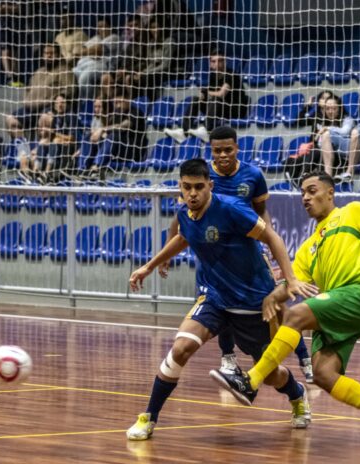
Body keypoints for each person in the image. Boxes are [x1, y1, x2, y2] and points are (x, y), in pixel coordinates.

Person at [210, 171, 360, 445]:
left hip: (356, 296)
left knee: (296, 315)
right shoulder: (309, 246)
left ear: (330, 193)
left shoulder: (351, 213)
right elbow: (290, 284)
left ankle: (250, 381)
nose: (306, 197)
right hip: (336, 306)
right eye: (303, 194)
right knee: (323, 375)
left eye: (312, 190)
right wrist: (272, 296)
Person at [126, 159, 317, 441]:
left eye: (199, 187)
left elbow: (273, 239)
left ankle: (296, 394)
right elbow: (182, 238)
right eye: (187, 187)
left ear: (210, 186)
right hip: (215, 297)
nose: (192, 193)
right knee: (180, 349)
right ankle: (149, 417)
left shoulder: (232, 209)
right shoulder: (185, 214)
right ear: (180, 187)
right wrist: (149, 266)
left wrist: (290, 281)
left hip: (253, 303)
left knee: (271, 374)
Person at [159, 126, 315, 383]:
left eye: (227, 150)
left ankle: (303, 358)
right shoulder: (200, 178)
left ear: (237, 148)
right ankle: (228, 357)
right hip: (216, 254)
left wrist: (269, 238)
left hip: (250, 250)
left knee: (276, 307)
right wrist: (165, 252)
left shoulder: (252, 175)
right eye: (217, 150)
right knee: (220, 305)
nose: (222, 155)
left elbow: (262, 210)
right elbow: (181, 220)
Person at [164, 50, 249, 143]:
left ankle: (207, 131)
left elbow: (221, 94)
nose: (217, 64)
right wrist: (202, 96)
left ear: (225, 61)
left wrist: (206, 92)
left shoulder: (231, 74)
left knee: (216, 99)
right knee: (195, 100)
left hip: (235, 109)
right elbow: (209, 94)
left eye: (220, 60)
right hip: (221, 109)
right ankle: (184, 132)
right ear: (210, 64)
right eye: (214, 61)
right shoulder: (213, 76)